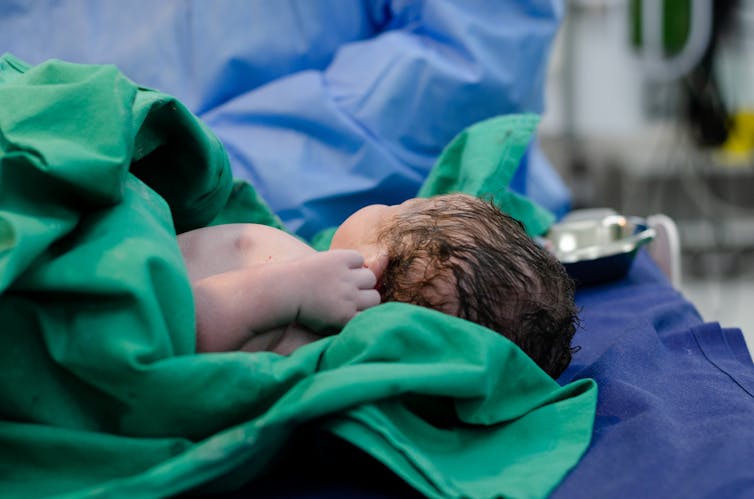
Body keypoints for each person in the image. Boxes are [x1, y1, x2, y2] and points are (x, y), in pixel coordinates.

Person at [178, 193, 578, 378]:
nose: (395, 201)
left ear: (374, 270)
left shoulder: (295, 324)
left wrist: (290, 291)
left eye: (398, 208)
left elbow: (178, 328)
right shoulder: (308, 274)